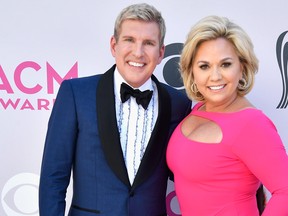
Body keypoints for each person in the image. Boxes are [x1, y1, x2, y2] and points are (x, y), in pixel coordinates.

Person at [38, 3, 191, 216]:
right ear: (113, 45)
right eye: (129, 40)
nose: (138, 52)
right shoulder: (75, 93)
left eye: (148, 43)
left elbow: (188, 174)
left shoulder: (179, 103)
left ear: (161, 52)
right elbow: (53, 177)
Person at [166, 15, 288, 215]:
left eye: (225, 64)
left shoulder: (251, 124)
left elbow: (286, 190)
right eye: (204, 66)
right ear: (192, 72)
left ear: (242, 67)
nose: (215, 76)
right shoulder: (198, 110)